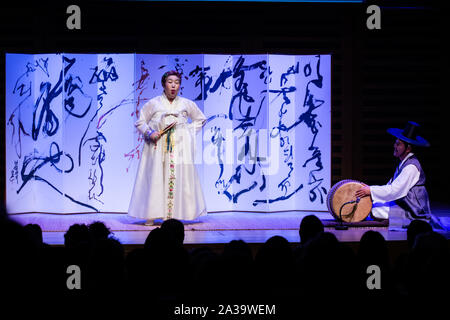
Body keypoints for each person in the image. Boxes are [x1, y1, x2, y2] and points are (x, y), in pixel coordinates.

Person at [128, 70, 207, 225]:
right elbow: (140, 121)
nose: (173, 85)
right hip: (157, 145)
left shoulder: (186, 103)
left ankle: (172, 215)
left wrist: (187, 133)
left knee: (177, 177)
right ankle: (151, 213)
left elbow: (200, 119)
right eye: (170, 82)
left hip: (178, 148)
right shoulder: (154, 103)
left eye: (176, 82)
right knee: (156, 177)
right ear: (164, 84)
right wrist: (150, 132)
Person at [355, 121, 431, 229]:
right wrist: (370, 190)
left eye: (398, 144)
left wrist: (371, 190)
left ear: (408, 148)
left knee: (376, 210)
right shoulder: (404, 162)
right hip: (404, 201)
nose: (394, 146)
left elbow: (395, 191)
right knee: (375, 203)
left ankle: (405, 218)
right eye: (395, 143)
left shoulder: (411, 166)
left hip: (413, 207)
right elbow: (390, 185)